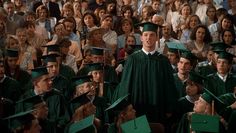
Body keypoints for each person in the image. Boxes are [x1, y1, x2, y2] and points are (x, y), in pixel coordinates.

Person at [112, 22, 178, 124]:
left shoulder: (163, 61)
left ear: (157, 38)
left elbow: (169, 85)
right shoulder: (133, 59)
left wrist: (169, 107)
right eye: (146, 35)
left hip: (158, 106)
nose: (149, 38)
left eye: (152, 35)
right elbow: (125, 85)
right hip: (137, 107)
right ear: (141, 38)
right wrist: (126, 109)